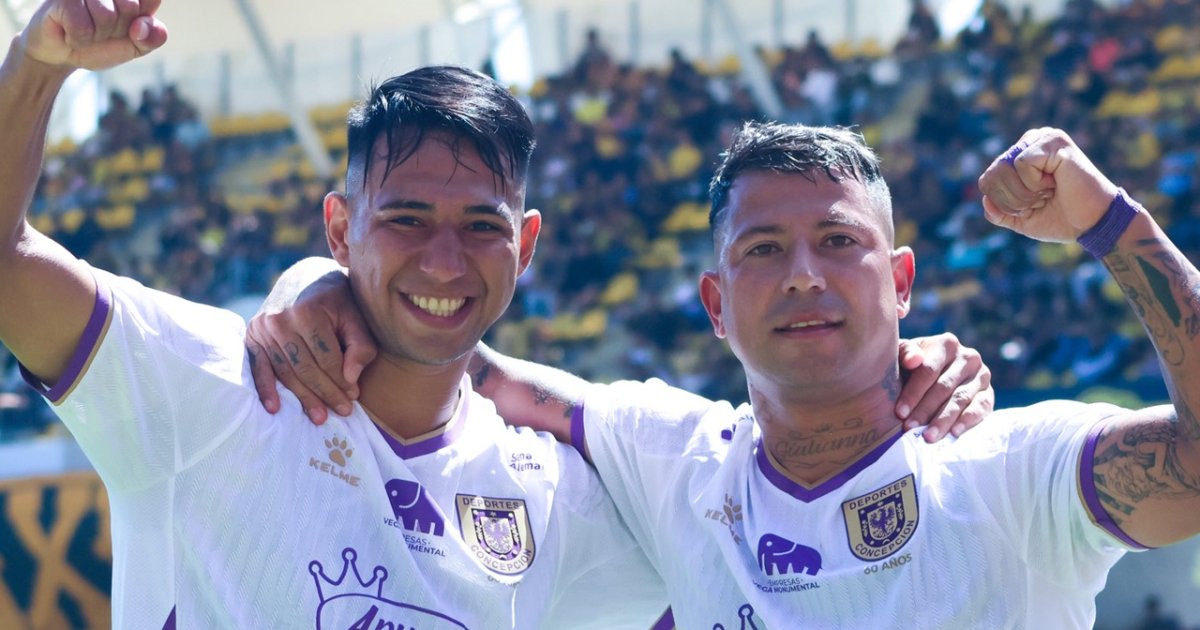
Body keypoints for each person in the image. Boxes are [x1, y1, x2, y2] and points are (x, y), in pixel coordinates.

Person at [0, 2, 994, 627]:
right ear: (340, 227)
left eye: (480, 225)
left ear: (525, 247)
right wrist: (38, 64)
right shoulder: (210, 386)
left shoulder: (555, 495)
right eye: (406, 219)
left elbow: (768, 538)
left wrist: (886, 377)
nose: (443, 260)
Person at [257, 121, 1200, 627]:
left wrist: (1111, 225)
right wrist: (317, 283)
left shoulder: (1012, 471)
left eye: (840, 242)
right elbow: (444, 342)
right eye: (763, 249)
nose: (803, 275)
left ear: (902, 282)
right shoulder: (672, 459)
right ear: (715, 303)